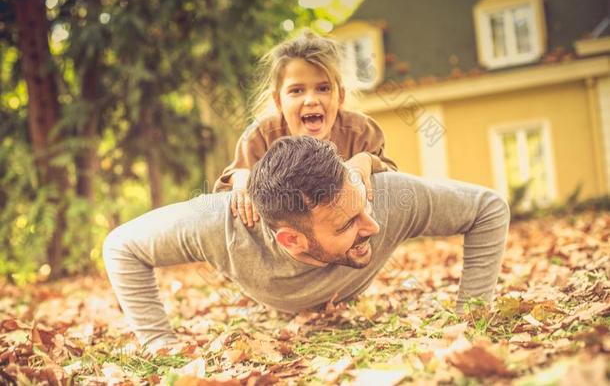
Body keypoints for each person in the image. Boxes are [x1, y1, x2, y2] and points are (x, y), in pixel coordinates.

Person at [103, 136, 510, 353]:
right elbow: (121, 246)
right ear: (291, 240)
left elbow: (489, 208)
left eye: (363, 205)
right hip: (269, 304)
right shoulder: (216, 222)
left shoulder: (387, 197)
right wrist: (159, 342)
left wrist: (471, 314)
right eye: (349, 222)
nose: (372, 224)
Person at [213, 31, 398, 227]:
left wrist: (366, 160)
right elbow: (226, 186)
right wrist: (241, 178)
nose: (311, 100)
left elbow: (396, 183)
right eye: (297, 90)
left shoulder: (362, 132)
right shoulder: (260, 136)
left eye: (323, 88)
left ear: (340, 96)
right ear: (278, 101)